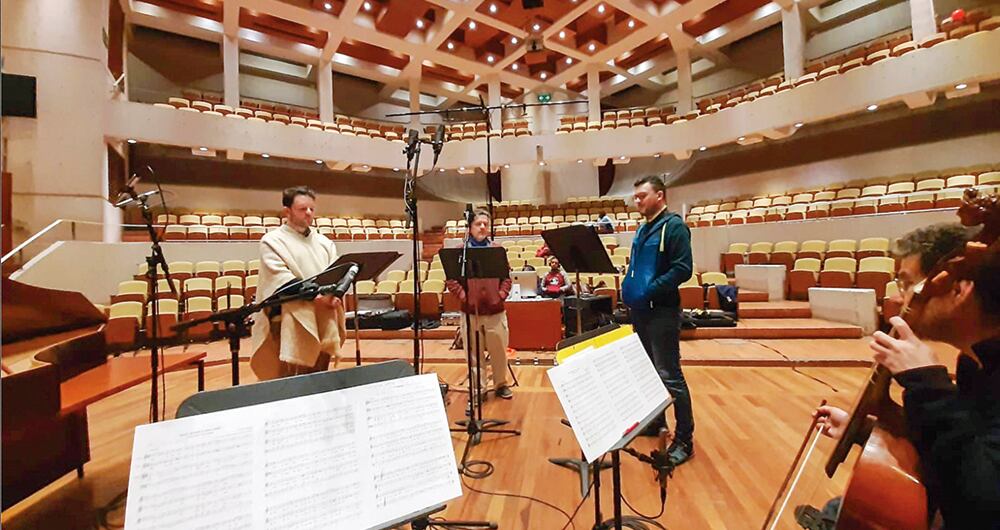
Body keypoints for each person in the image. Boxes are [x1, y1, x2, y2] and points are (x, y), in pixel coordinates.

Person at [815, 223, 1000, 529]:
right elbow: (964, 446)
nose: (901, 300)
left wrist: (928, 385)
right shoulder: (974, 363)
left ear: (959, 288)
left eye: (907, 283)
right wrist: (870, 430)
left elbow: (981, 505)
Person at [621, 175, 695, 466]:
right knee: (648, 373)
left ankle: (685, 439)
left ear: (660, 196)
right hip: (641, 311)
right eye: (636, 197)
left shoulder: (674, 227)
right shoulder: (643, 229)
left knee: (670, 376)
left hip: (662, 311)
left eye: (642, 196)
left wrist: (650, 289)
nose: (637, 201)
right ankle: (656, 421)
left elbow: (683, 269)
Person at [250, 186, 347, 380]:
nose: (309, 213)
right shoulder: (272, 241)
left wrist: (335, 295)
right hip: (288, 319)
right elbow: (280, 279)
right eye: (303, 209)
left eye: (312, 209)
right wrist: (317, 297)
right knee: (290, 384)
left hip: (323, 316)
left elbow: (338, 273)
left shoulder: (324, 243)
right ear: (287, 211)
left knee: (320, 379)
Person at [445, 209, 514, 399]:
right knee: (473, 354)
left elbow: (506, 278)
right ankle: (478, 389)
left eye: (485, 223)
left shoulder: (497, 250)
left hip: (495, 312)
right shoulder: (460, 251)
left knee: (499, 351)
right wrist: (464, 296)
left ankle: (500, 384)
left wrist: (500, 295)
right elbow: (451, 279)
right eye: (478, 224)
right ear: (470, 227)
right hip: (470, 313)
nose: (482, 227)